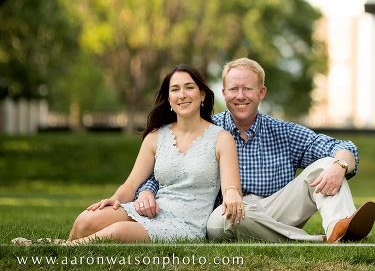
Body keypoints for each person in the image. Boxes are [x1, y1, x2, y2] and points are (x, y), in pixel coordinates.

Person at [134, 57, 375, 243]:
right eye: (234, 89)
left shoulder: (284, 132)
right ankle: (320, 240)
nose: (241, 96)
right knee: (219, 223)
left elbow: (343, 147)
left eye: (248, 89)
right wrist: (147, 191)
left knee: (327, 164)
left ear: (261, 93)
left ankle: (339, 227)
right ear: (224, 93)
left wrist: (340, 166)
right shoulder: (208, 132)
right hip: (232, 215)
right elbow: (170, 170)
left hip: (280, 208)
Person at [14, 64, 244, 245]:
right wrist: (114, 201)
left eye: (189, 87)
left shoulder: (221, 138)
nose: (182, 94)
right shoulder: (155, 137)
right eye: (175, 89)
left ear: (202, 94)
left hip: (187, 223)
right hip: (155, 211)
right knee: (86, 220)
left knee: (117, 232)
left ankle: (54, 248)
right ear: (170, 100)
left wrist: (233, 194)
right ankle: (61, 245)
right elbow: (131, 184)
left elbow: (231, 187)